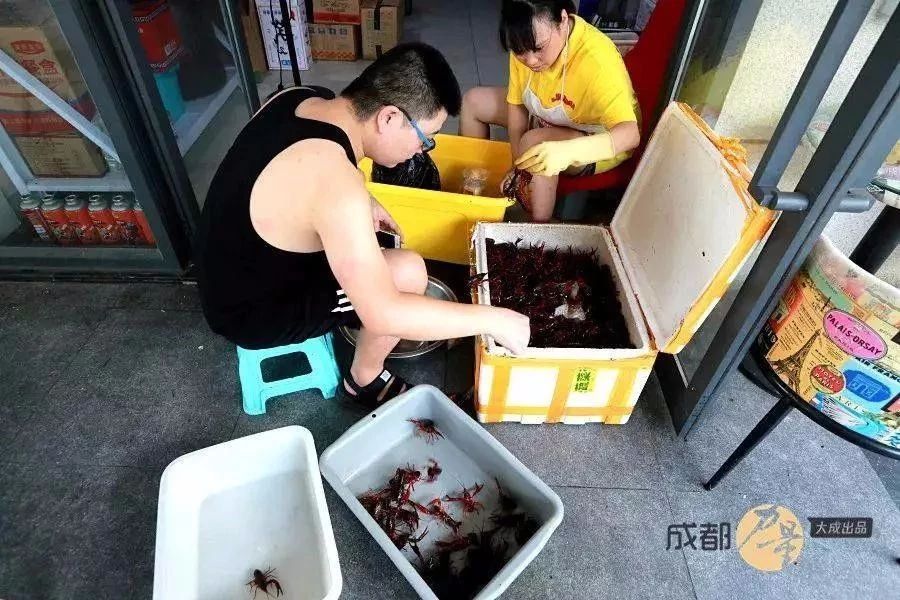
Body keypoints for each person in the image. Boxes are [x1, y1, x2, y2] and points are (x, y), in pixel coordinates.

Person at [194, 43, 530, 407]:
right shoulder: (336, 182)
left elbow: (289, 173)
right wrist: (497, 320)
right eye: (424, 138)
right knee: (407, 275)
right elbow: (383, 312)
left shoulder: (301, 97)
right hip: (249, 309)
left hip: (228, 262)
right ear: (388, 117)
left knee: (391, 265)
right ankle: (363, 380)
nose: (421, 151)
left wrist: (364, 200)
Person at [459, 0, 641, 222]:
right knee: (473, 102)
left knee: (535, 144)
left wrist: (569, 152)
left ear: (563, 20)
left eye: (539, 48)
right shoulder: (524, 40)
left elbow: (630, 135)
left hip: (592, 136)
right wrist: (517, 165)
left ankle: (536, 231)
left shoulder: (597, 60)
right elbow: (516, 105)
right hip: (547, 115)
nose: (531, 61)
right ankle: (473, 193)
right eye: (519, 52)